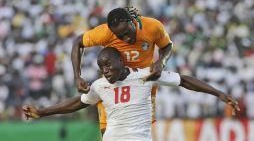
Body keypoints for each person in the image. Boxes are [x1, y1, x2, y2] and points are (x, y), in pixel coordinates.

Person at [24, 47, 240, 141]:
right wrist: (42, 112)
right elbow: (77, 103)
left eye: (108, 65)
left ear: (121, 61)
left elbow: (184, 80)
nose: (105, 70)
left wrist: (219, 94)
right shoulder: (100, 85)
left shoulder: (146, 75)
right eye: (101, 67)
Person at [71, 7, 173, 133]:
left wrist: (161, 62)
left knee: (140, 131)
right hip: (113, 84)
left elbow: (167, 46)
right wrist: (77, 76)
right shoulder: (105, 33)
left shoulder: (152, 26)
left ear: (132, 21)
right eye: (120, 36)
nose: (126, 39)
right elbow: (77, 42)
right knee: (107, 131)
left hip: (143, 85)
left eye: (127, 32)